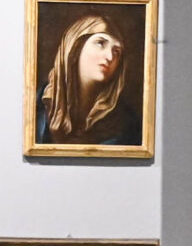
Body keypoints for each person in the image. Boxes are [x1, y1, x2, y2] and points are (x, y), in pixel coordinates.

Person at [35, 13, 143, 148]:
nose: (110, 57)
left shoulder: (127, 124)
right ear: (75, 46)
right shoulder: (37, 104)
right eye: (100, 43)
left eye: (116, 51)